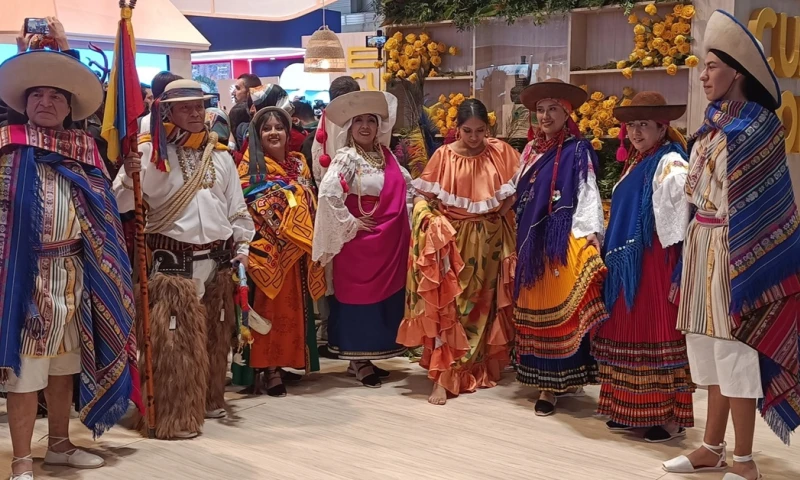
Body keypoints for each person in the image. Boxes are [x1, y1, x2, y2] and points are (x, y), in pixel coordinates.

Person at [663, 11, 800, 480]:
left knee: (735, 352)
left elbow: (765, 207)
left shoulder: (758, 129)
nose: (703, 76)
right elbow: (696, 193)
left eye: (712, 67)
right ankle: (711, 447)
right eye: (703, 67)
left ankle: (744, 461)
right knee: (707, 350)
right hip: (702, 243)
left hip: (735, 249)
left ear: (737, 72)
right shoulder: (710, 127)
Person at [0, 49, 139, 480]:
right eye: (37, 94)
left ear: (69, 106)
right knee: (24, 372)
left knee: (64, 366)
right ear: (24, 103)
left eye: (56, 96)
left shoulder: (85, 152)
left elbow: (105, 212)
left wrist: (128, 176)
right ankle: (22, 460)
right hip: (24, 278)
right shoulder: (7, 147)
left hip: (77, 274)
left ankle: (59, 444)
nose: (45, 102)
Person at [114, 79, 255, 439]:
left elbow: (236, 208)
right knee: (172, 344)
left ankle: (208, 398)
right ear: (167, 112)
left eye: (199, 106)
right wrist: (130, 176)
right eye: (186, 107)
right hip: (171, 263)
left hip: (218, 260)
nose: (195, 113)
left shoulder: (219, 154)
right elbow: (120, 203)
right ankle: (172, 415)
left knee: (214, 338)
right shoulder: (150, 153)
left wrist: (243, 247)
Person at [398, 99, 518, 405]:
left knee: (484, 305)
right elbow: (421, 197)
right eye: (467, 131)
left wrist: (502, 209)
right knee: (452, 305)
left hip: (491, 240)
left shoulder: (500, 152)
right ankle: (443, 376)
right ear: (457, 129)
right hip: (453, 241)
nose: (474, 137)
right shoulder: (444, 156)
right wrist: (429, 219)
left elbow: (518, 187)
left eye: (480, 130)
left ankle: (476, 366)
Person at [592, 91, 693, 442]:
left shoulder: (670, 161)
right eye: (632, 125)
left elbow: (680, 214)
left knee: (655, 333)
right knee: (628, 332)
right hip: (630, 264)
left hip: (653, 264)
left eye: (644, 125)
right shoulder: (640, 160)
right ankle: (628, 410)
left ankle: (670, 420)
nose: (635, 132)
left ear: (662, 128)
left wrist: (678, 268)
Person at [513, 79, 608, 416]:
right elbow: (517, 189)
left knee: (558, 306)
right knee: (535, 306)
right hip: (529, 240)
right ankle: (542, 380)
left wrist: (591, 231)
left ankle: (553, 385)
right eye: (540, 110)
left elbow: (587, 190)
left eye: (553, 109)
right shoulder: (530, 150)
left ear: (567, 113)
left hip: (558, 240)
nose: (545, 116)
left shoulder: (577, 149)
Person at [312, 91, 412, 387]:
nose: (366, 126)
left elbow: (407, 187)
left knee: (384, 301)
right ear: (350, 127)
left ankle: (370, 355)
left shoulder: (387, 156)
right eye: (359, 121)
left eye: (371, 120)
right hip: (358, 243)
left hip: (388, 241)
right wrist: (351, 223)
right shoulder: (347, 158)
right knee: (357, 300)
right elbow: (328, 193)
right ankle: (357, 360)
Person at [237, 105, 326, 396]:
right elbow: (246, 201)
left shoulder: (299, 163)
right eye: (267, 129)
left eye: (279, 128)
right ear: (257, 134)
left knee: (295, 308)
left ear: (288, 133)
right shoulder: (250, 167)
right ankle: (269, 368)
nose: (274, 133)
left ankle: (288, 360)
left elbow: (310, 195)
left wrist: (298, 196)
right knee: (269, 308)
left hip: (297, 248)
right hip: (267, 249)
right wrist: (291, 195)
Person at [304, 76, 360, 356]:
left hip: (354, 212)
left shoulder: (354, 130)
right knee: (334, 275)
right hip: (333, 210)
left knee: (344, 277)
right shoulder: (319, 137)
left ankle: (339, 335)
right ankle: (333, 335)